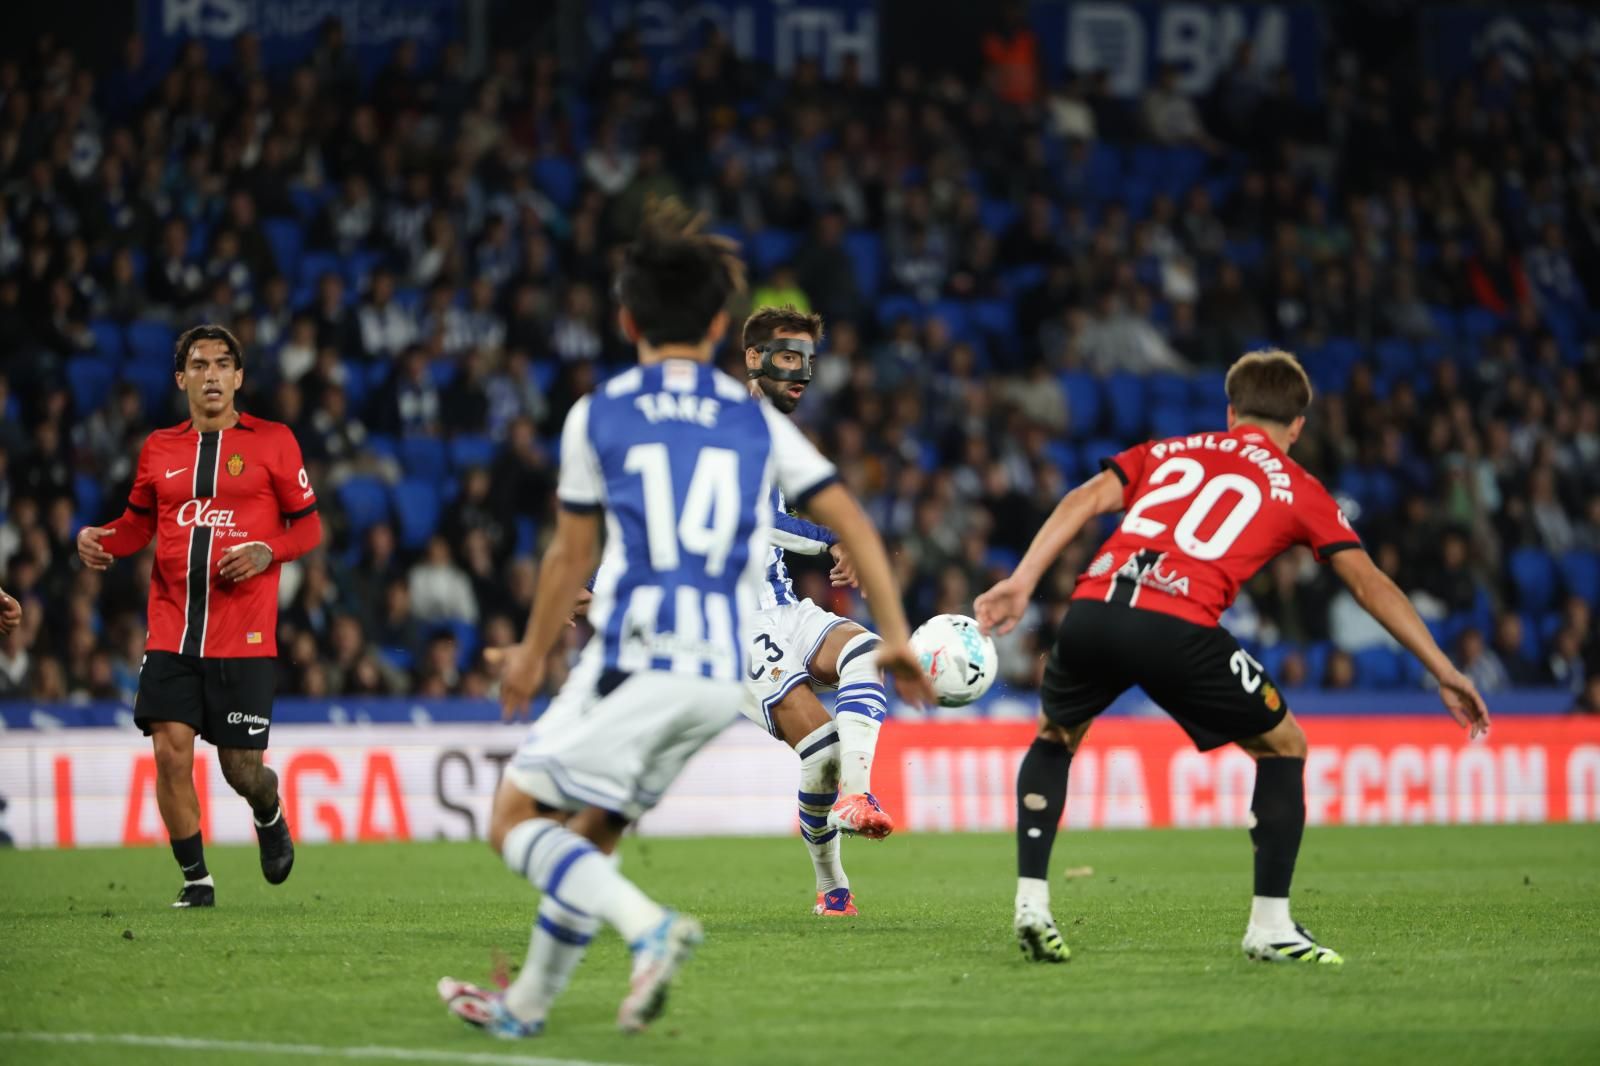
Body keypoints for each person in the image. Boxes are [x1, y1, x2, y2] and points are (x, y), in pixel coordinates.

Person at [436, 202, 932, 1040]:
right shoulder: (752, 424)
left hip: (644, 654)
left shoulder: (600, 412)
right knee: (592, 831)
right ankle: (526, 1008)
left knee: (514, 817)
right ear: (715, 327)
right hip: (717, 675)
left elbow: (566, 556)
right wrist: (895, 633)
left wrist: (528, 653)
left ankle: (650, 931)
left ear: (627, 319)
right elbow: (853, 519)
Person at [975, 349, 1490, 966]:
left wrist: (1024, 580)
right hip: (1176, 623)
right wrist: (1444, 668)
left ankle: (1031, 902)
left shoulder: (1168, 450)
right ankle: (1271, 926)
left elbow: (1084, 498)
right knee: (1285, 745)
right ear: (1297, 426)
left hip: (1093, 606)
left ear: (1230, 412)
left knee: (1055, 737)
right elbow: (1368, 584)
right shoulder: (1300, 487)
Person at [76, 325, 323, 908]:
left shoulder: (275, 442)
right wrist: (99, 537)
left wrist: (270, 550)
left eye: (221, 364)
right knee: (169, 749)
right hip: (172, 629)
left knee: (242, 771)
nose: (210, 374)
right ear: (181, 379)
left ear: (238, 378)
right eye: (198, 364)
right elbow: (137, 525)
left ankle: (268, 808)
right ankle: (196, 880)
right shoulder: (159, 448)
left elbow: (309, 525)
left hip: (246, 635)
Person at [735, 305, 898, 918]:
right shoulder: (723, 427)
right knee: (823, 753)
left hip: (779, 602)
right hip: (728, 623)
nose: (801, 373)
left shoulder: (778, 434)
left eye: (808, 360)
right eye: (786, 357)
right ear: (753, 358)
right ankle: (833, 883)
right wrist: (834, 539)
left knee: (865, 649)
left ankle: (858, 799)